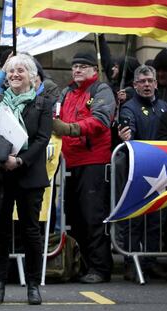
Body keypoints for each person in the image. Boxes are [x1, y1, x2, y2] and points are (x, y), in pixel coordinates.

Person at [0, 54, 52, 305]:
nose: (14, 75)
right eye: (10, 71)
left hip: (29, 176)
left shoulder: (43, 103)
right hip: (2, 175)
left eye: (20, 70)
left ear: (32, 76)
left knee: (31, 232)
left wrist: (19, 161)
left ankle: (32, 285)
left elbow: (42, 139)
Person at [52, 52, 115, 284]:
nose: (77, 70)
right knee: (74, 218)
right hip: (70, 163)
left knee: (93, 217)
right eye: (74, 66)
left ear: (93, 70)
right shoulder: (66, 92)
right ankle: (81, 265)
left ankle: (100, 268)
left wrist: (70, 129)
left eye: (82, 66)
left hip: (94, 163)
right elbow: (54, 117)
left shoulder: (101, 91)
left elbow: (101, 120)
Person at [118, 65, 167, 281]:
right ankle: (132, 261)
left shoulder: (165, 106)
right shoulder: (129, 108)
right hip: (137, 170)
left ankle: (151, 261)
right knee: (135, 218)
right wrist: (125, 135)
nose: (147, 85)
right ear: (135, 85)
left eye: (150, 81)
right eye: (142, 81)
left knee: (158, 217)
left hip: (163, 171)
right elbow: (128, 131)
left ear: (156, 84)